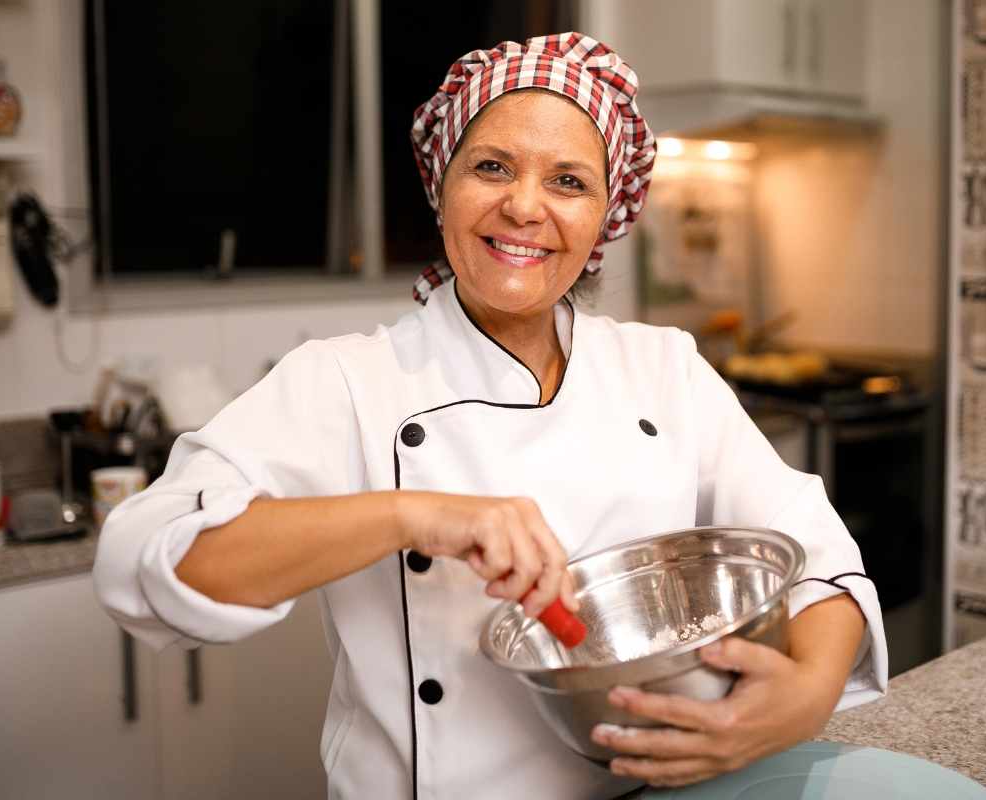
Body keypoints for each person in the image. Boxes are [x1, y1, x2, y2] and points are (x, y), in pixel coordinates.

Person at [94, 32, 887, 800]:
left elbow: (814, 550)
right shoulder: (348, 381)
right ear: (444, 187)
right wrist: (412, 514)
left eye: (568, 182)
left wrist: (809, 694)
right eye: (493, 167)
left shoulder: (663, 367)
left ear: (607, 217)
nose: (524, 206)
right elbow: (141, 559)